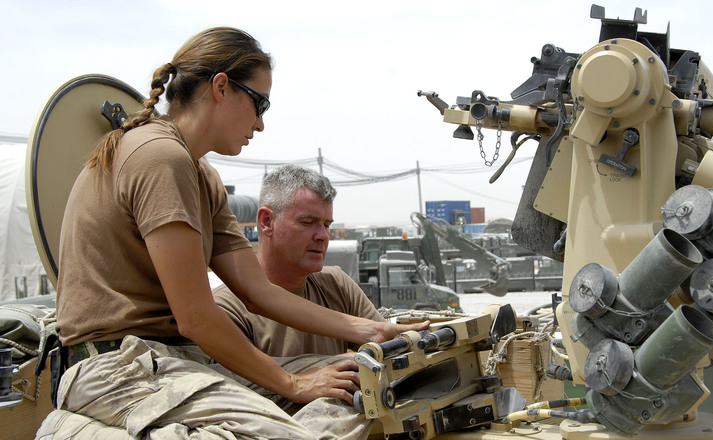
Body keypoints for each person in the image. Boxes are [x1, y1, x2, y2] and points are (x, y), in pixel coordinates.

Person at [36, 27, 427, 440]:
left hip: (175, 361)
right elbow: (196, 317)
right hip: (118, 368)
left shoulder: (201, 174)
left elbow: (258, 291)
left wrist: (372, 330)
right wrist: (292, 384)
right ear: (221, 87)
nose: (260, 124)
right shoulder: (159, 157)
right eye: (259, 104)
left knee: (360, 389)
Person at [213, 164, 386, 358]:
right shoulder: (228, 309)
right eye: (307, 223)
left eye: (327, 224)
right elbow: (241, 382)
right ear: (266, 222)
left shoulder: (336, 285)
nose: (323, 236)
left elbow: (388, 351)